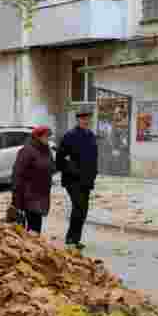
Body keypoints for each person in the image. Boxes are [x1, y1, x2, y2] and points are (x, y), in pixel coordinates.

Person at [56, 107, 99, 250]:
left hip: (87, 179)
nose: (86, 121)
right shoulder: (70, 135)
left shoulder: (91, 135)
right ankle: (70, 239)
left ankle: (75, 239)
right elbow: (60, 158)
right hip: (72, 180)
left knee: (83, 209)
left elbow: (94, 157)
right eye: (83, 118)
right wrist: (72, 170)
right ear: (78, 119)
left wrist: (94, 173)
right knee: (78, 207)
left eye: (88, 118)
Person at [10, 125, 56, 234]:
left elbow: (51, 167)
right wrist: (16, 199)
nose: (48, 139)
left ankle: (32, 247)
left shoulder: (46, 150)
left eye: (49, 136)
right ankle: (30, 248)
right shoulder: (27, 151)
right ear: (37, 137)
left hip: (42, 194)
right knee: (33, 227)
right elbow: (17, 174)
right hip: (29, 194)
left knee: (36, 226)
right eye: (45, 136)